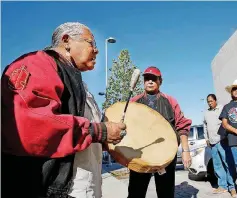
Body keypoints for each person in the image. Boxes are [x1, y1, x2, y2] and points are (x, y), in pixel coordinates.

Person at [1, 22, 126, 198]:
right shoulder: (37, 63)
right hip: (52, 189)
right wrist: (99, 131)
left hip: (84, 188)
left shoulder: (81, 85)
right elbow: (30, 126)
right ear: (66, 40)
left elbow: (79, 135)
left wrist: (105, 141)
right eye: (92, 43)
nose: (96, 50)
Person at [127, 66, 192, 198]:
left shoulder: (170, 101)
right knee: (135, 192)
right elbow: (127, 127)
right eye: (147, 79)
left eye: (153, 79)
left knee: (166, 193)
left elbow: (182, 126)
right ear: (143, 81)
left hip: (166, 156)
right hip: (140, 155)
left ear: (160, 81)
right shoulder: (134, 102)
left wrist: (186, 151)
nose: (150, 81)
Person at [68, 82, 103, 198]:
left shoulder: (86, 90)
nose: (96, 62)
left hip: (92, 180)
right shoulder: (60, 80)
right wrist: (100, 131)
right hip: (74, 186)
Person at [203, 94, 237, 197]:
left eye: (211, 101)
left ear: (215, 100)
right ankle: (222, 186)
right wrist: (207, 139)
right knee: (217, 165)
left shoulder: (222, 108)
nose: (210, 103)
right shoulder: (206, 113)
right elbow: (205, 126)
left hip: (222, 140)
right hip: (212, 142)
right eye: (208, 101)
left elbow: (228, 121)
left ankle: (232, 187)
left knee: (228, 163)